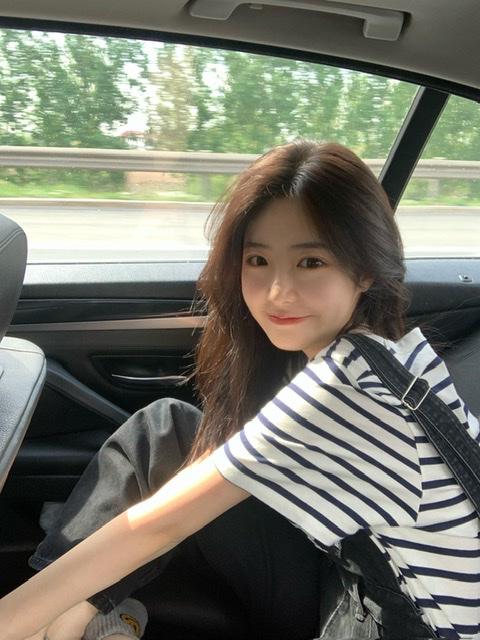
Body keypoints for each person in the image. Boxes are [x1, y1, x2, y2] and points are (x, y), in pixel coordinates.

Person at [1, 140, 479, 640]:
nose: (278, 291)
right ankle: (72, 621)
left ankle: (63, 625)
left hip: (402, 624)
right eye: (257, 260)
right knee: (169, 429)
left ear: (365, 271)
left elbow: (158, 526)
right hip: (355, 576)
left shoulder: (342, 394)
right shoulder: (391, 354)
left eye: (311, 262)